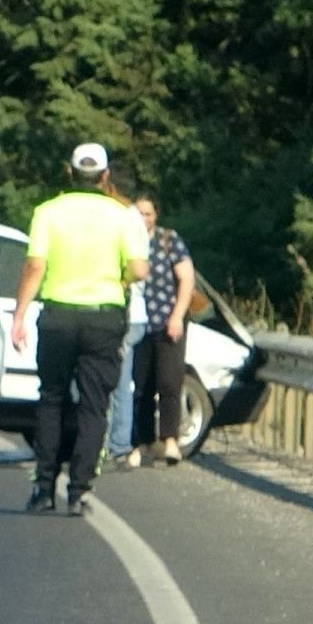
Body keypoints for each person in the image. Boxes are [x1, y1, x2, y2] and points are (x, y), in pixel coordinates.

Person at [12, 143, 149, 515]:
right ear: (105, 177)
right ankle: (79, 491)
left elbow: (34, 267)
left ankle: (43, 488)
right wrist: (116, 281)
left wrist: (19, 315)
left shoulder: (48, 212)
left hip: (58, 315)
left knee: (52, 398)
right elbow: (139, 270)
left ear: (69, 172)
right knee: (94, 404)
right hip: (104, 316)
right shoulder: (122, 216)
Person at [127, 197, 195, 468]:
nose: (144, 219)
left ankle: (170, 440)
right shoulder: (128, 242)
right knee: (140, 387)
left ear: (156, 215)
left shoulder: (169, 240)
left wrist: (177, 315)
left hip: (168, 321)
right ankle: (141, 442)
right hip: (137, 322)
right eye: (139, 214)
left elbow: (186, 278)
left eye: (148, 213)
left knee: (169, 382)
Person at [100, 166, 150, 468]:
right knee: (114, 379)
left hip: (128, 313)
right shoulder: (130, 219)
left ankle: (118, 443)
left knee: (117, 381)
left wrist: (115, 284)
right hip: (128, 312)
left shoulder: (126, 219)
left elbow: (135, 268)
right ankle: (114, 442)